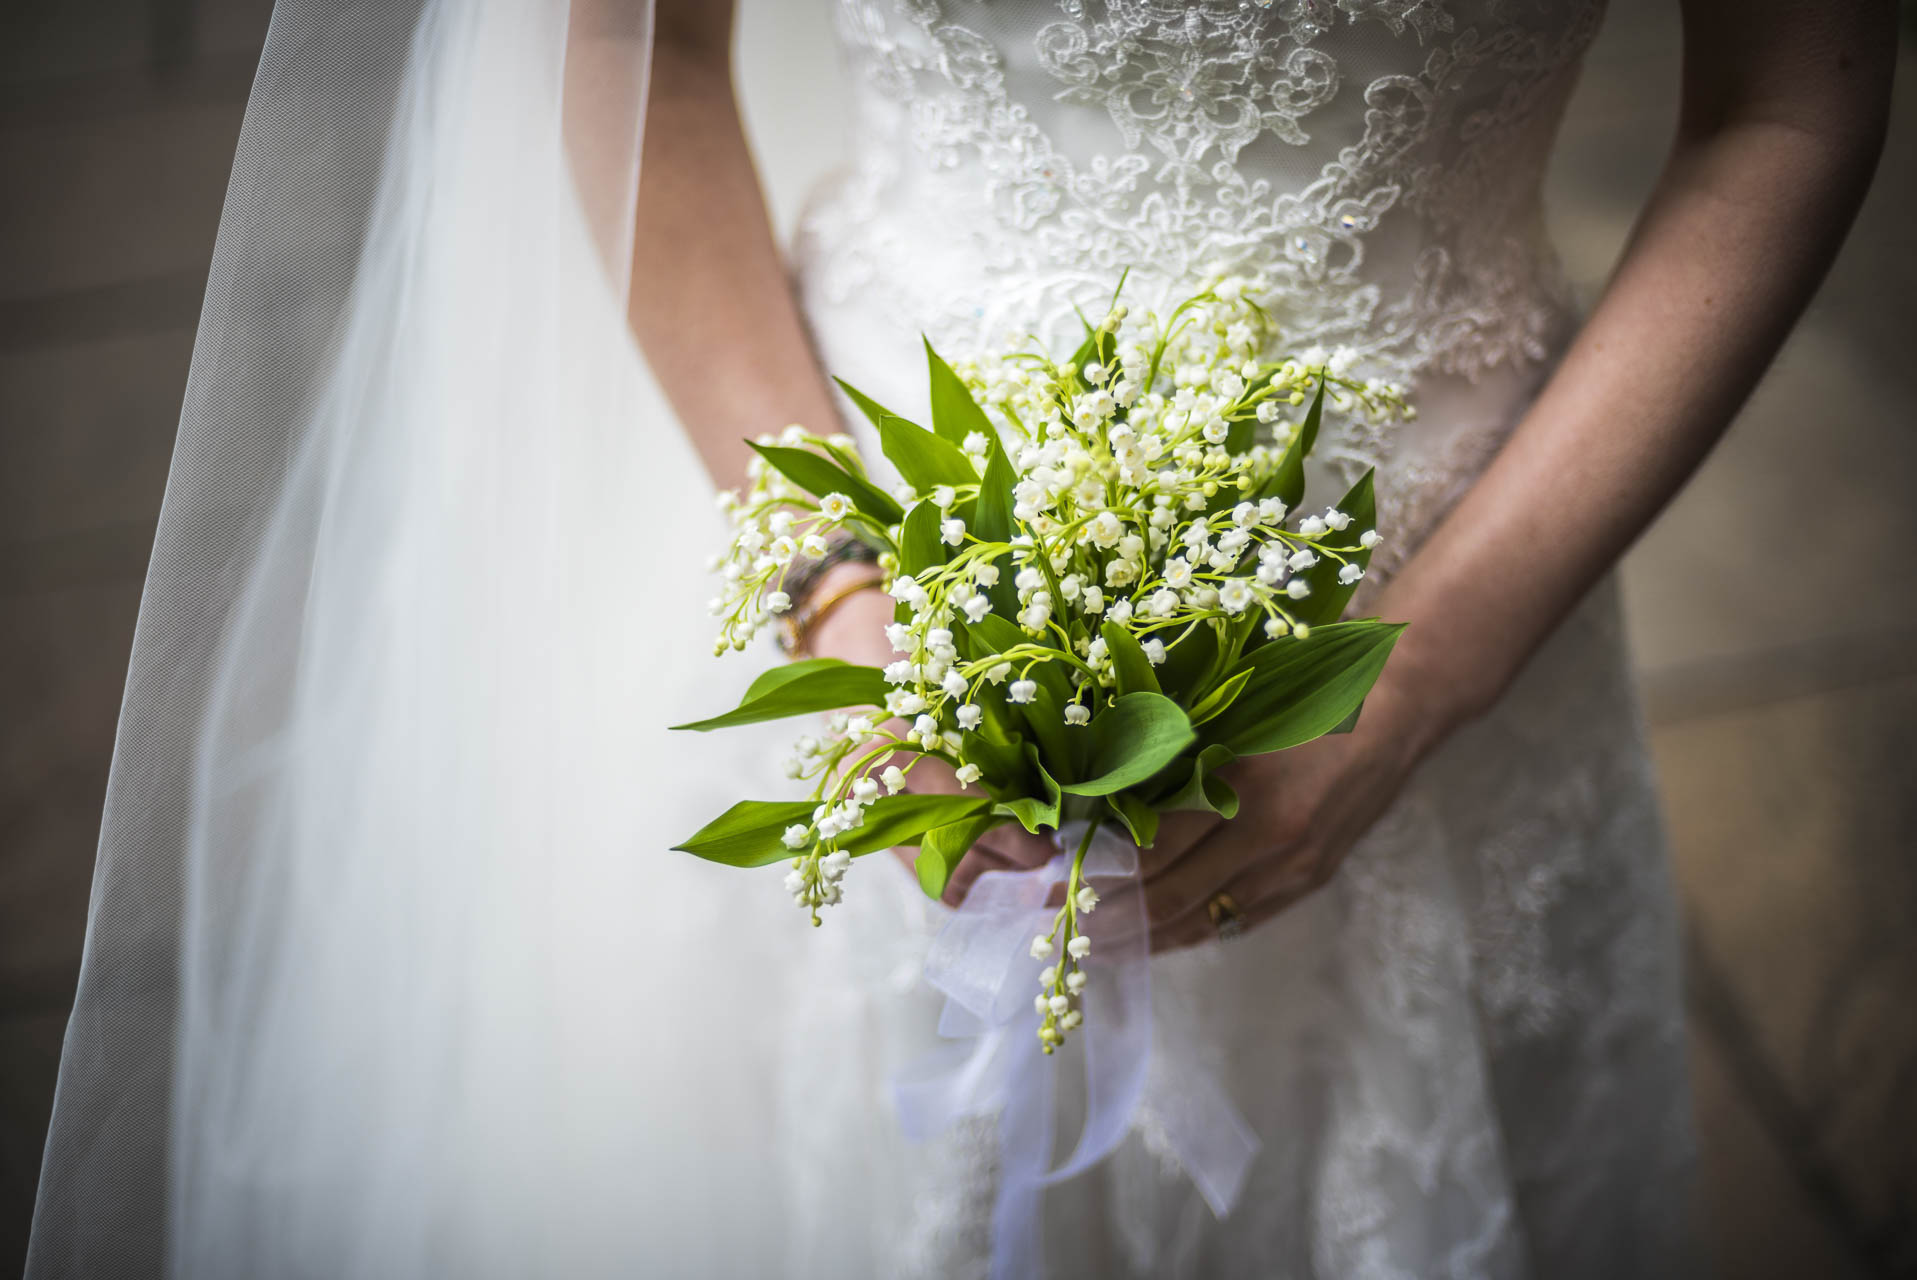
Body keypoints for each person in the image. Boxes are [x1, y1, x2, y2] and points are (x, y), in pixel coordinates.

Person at [27, 1, 1893, 1277]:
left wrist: (1414, 677)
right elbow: (626, 46)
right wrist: (839, 599)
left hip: (1465, 572)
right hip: (863, 564)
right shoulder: (845, 604)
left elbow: (1790, 88)